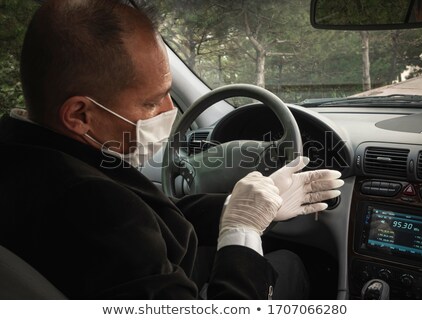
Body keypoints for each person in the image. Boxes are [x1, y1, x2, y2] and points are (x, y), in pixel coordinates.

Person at [0, 0, 343, 299]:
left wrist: (237, 207)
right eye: (151, 102)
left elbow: (148, 215)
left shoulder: (22, 154)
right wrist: (243, 230)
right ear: (79, 115)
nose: (170, 109)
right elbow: (123, 218)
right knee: (292, 265)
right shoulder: (93, 206)